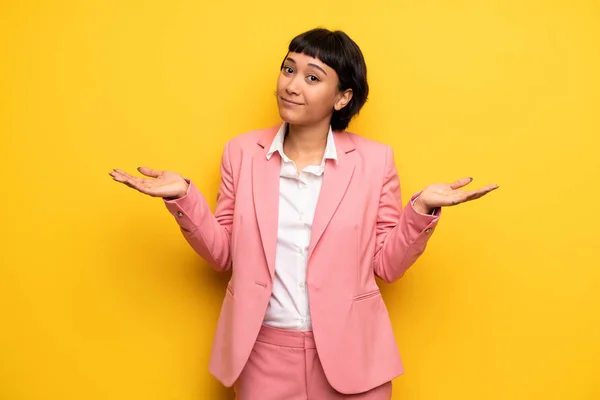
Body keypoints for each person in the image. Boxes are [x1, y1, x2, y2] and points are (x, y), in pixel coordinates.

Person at [109, 27, 498, 400]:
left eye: (313, 78)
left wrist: (421, 209)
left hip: (354, 357)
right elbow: (224, 254)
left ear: (342, 97)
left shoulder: (375, 161)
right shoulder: (241, 153)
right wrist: (183, 199)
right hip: (261, 355)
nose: (292, 85)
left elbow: (387, 265)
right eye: (288, 69)